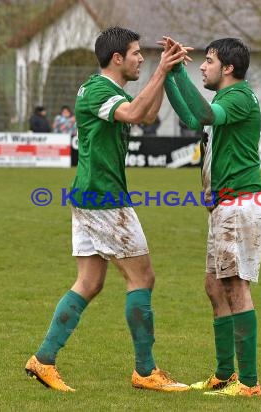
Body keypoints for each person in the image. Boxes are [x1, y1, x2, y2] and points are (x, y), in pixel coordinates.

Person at [24, 27, 189, 393]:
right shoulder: (100, 90)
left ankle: (43, 359)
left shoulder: (107, 90)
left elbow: (146, 115)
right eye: (135, 54)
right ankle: (145, 371)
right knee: (142, 278)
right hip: (104, 198)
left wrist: (166, 72)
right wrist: (160, 71)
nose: (140, 60)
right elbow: (133, 114)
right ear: (117, 58)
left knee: (90, 282)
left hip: (90, 195)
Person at [161, 36, 261, 397]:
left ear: (229, 68)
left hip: (240, 204)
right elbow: (193, 116)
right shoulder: (224, 99)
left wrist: (177, 71)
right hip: (225, 205)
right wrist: (171, 73)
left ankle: (249, 383)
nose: (202, 67)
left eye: (207, 60)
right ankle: (225, 375)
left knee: (235, 286)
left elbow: (203, 114)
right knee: (214, 285)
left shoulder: (237, 97)